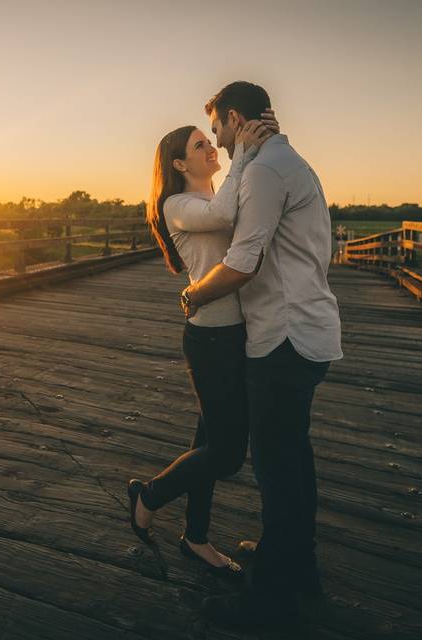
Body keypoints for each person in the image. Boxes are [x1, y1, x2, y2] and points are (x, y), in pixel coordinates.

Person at [180, 81, 343, 629]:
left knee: (276, 471)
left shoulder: (264, 171)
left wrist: (196, 293)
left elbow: (244, 260)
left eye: (219, 130)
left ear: (232, 118)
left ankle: (268, 603)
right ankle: (299, 564)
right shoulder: (288, 161)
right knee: (295, 459)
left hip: (283, 337)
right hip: (305, 332)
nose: (221, 144)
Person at [126, 110, 279, 579]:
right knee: (228, 454)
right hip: (211, 339)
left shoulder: (211, 194)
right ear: (177, 164)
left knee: (208, 442)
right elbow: (226, 214)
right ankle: (148, 495)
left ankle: (195, 537)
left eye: (209, 141)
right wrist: (245, 152)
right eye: (199, 146)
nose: (211, 148)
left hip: (234, 334)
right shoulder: (180, 206)